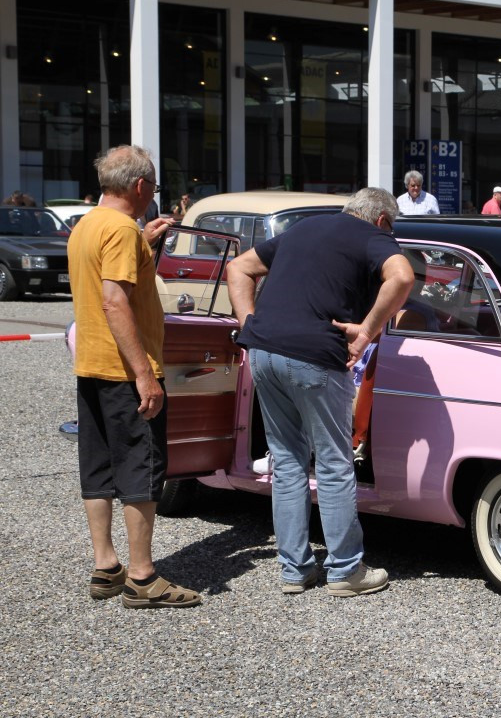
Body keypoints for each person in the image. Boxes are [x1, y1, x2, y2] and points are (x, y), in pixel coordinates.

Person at [227, 187, 412, 596]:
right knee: (332, 461)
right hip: (314, 355)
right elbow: (401, 277)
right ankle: (346, 570)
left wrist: (250, 325)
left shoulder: (304, 228)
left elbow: (239, 267)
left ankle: (295, 570)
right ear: (382, 221)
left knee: (288, 461)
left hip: (262, 352)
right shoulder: (372, 236)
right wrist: (366, 331)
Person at [66, 145, 200, 609]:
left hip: (91, 364)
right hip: (125, 368)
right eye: (153, 188)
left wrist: (146, 242)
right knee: (142, 469)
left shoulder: (88, 224)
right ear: (140, 186)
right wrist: (145, 374)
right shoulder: (121, 230)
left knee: (98, 467)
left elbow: (105, 277)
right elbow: (114, 300)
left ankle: (106, 566)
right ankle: (143, 576)